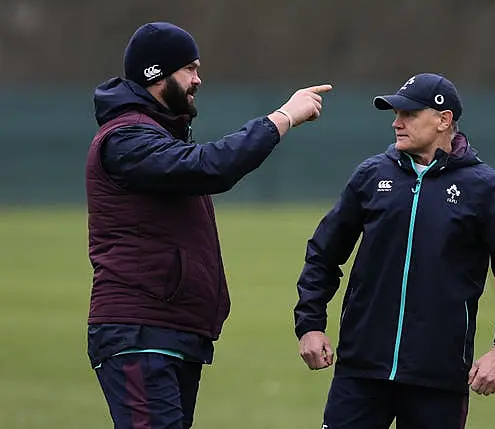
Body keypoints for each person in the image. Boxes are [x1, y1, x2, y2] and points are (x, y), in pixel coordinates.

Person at [85, 21, 331, 429]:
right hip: (140, 332)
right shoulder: (126, 138)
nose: (198, 79)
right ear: (156, 74)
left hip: (171, 331)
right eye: (190, 69)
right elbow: (210, 167)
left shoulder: (158, 136)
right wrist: (282, 118)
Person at [294, 73, 495, 429]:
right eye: (395, 114)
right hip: (361, 372)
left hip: (439, 379)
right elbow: (323, 253)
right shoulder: (370, 176)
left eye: (409, 114)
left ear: (444, 120)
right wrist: (310, 325)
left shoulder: (484, 188)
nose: (397, 123)